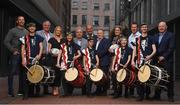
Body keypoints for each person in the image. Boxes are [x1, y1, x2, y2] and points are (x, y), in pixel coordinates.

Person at [4, 16, 28, 97]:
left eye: (23, 20)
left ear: (24, 21)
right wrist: (13, 50)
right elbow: (6, 41)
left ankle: (20, 91)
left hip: (23, 55)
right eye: (20, 20)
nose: (21, 21)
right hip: (15, 55)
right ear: (17, 21)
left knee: (23, 73)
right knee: (12, 72)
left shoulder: (26, 31)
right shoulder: (12, 31)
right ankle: (10, 91)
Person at [131, 24, 156, 101]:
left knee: (147, 78)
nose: (144, 28)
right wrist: (132, 60)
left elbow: (154, 50)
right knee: (139, 78)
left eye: (145, 27)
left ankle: (147, 95)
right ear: (140, 29)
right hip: (139, 60)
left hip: (148, 60)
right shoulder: (137, 39)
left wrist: (150, 56)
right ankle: (140, 95)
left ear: (147, 28)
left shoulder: (151, 38)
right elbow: (134, 50)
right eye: (143, 27)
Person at [152, 21, 175, 102]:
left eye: (162, 26)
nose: (161, 28)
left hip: (167, 60)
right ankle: (157, 95)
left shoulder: (171, 35)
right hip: (157, 60)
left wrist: (164, 56)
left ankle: (170, 96)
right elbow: (153, 48)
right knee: (157, 78)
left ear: (166, 27)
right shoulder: (155, 36)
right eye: (159, 26)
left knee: (168, 78)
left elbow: (171, 48)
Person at [20, 23, 43, 99]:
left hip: (36, 59)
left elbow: (41, 47)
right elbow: (22, 49)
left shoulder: (39, 37)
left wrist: (39, 55)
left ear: (35, 28)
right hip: (27, 59)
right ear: (28, 28)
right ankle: (26, 94)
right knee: (26, 77)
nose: (32, 28)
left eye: (33, 27)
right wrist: (23, 59)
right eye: (30, 27)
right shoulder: (24, 37)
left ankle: (36, 93)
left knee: (36, 75)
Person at [56, 32, 81, 96]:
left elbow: (80, 54)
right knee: (63, 78)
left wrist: (76, 56)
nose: (69, 37)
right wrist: (58, 62)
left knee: (70, 78)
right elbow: (59, 54)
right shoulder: (63, 45)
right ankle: (65, 92)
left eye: (70, 36)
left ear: (72, 37)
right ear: (66, 37)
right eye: (68, 36)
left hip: (71, 63)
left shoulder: (75, 45)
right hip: (63, 63)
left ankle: (70, 91)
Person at [36, 20, 53, 95]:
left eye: (48, 25)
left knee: (47, 71)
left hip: (49, 56)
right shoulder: (38, 33)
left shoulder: (52, 35)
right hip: (41, 55)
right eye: (45, 25)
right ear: (43, 26)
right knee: (39, 72)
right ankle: (37, 89)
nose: (47, 26)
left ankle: (46, 89)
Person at [48, 26, 65, 96]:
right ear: (55, 31)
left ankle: (57, 88)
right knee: (53, 73)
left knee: (59, 74)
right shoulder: (51, 39)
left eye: (60, 30)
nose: (58, 32)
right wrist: (52, 53)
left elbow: (64, 49)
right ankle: (53, 88)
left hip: (60, 59)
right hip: (53, 59)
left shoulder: (63, 40)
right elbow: (48, 50)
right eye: (57, 30)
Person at [94, 28, 111, 96]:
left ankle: (104, 91)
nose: (99, 34)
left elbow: (105, 50)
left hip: (104, 61)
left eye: (100, 33)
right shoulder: (96, 41)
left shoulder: (106, 41)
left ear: (103, 34)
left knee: (104, 77)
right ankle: (98, 90)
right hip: (98, 62)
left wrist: (96, 54)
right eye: (98, 33)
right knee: (98, 77)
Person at [128, 22, 141, 97]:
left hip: (139, 58)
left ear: (137, 28)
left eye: (135, 27)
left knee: (139, 75)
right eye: (132, 27)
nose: (133, 28)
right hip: (132, 58)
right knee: (132, 75)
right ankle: (131, 92)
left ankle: (141, 93)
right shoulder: (130, 37)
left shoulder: (139, 36)